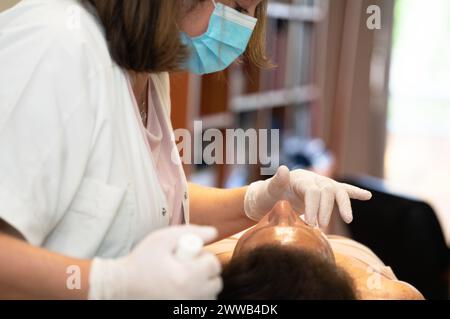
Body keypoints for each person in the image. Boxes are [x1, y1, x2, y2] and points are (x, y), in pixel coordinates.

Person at [0, 0, 372, 299]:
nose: (243, 32)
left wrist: (259, 198)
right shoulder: (56, 44)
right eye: (239, 11)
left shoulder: (148, 72)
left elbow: (148, 200)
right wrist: (109, 284)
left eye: (254, 12)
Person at [208, 201, 425, 300]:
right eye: (303, 227)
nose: (282, 206)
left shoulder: (211, 266)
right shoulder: (388, 294)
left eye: (265, 226)